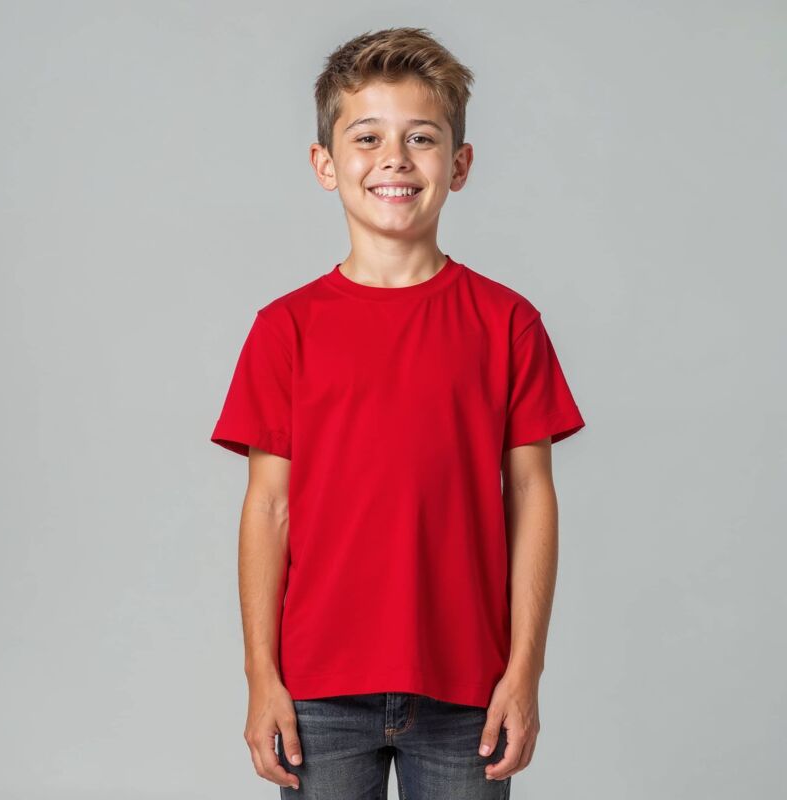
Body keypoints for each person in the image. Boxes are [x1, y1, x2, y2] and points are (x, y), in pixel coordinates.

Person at [210, 26, 586, 799]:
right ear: (325, 163)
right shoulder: (286, 328)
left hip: (467, 690)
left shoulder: (506, 322)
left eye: (422, 137)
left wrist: (524, 673)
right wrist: (260, 677)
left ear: (460, 163)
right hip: (317, 690)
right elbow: (268, 507)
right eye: (368, 137)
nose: (395, 158)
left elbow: (534, 502)